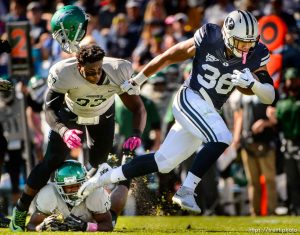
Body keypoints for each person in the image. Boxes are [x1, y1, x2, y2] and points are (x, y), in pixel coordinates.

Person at [78, 10, 278, 214]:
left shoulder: (256, 53)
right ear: (227, 35)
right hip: (189, 98)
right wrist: (139, 79)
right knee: (222, 137)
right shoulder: (210, 37)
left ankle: (103, 177)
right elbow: (169, 56)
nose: (246, 48)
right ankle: (187, 189)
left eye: (250, 42)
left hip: (206, 112)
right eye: (241, 42)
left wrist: (254, 84)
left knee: (163, 162)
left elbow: (270, 96)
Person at [9, 44, 146, 231]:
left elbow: (138, 108)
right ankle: (20, 210)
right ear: (78, 66)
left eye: (99, 70)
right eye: (90, 72)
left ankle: (97, 191)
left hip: (103, 115)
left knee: (100, 166)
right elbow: (48, 109)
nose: (96, 76)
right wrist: (64, 130)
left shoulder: (118, 69)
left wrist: (137, 133)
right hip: (71, 113)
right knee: (52, 161)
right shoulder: (64, 72)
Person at [27, 160, 116, 231]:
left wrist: (86, 226)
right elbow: (31, 225)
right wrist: (42, 226)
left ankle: (125, 183)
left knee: (116, 207)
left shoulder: (94, 193)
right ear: (59, 187)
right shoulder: (49, 194)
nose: (73, 190)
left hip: (96, 217)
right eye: (69, 187)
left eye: (77, 185)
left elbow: (108, 225)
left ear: (84, 183)